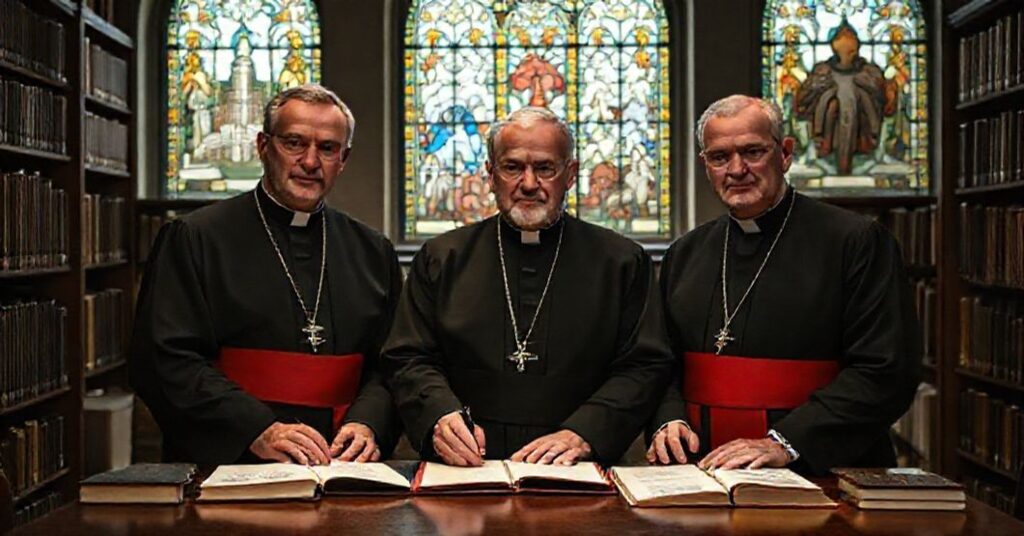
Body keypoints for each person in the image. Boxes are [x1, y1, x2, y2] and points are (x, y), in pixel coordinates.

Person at [383, 107, 673, 466]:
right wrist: (441, 415)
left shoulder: (623, 262)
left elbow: (644, 365)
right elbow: (407, 356)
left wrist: (584, 433)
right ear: (490, 174)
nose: (530, 183)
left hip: (579, 469)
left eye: (545, 168)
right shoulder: (442, 258)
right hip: (465, 467)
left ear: (570, 175)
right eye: (513, 167)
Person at [647, 95, 919, 475]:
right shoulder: (686, 253)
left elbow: (887, 371)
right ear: (705, 166)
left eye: (753, 152)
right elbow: (660, 361)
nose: (737, 169)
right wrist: (668, 418)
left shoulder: (856, 242)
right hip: (703, 471)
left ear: (786, 153)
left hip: (820, 468)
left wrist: (787, 442)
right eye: (719, 157)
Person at [132, 84, 401, 465]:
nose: (310, 161)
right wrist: (255, 429)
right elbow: (163, 359)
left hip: (343, 465)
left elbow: (392, 363)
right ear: (263, 146)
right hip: (232, 461)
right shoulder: (195, 237)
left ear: (344, 159)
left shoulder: (373, 251)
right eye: (294, 143)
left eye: (327, 148)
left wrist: (369, 423)